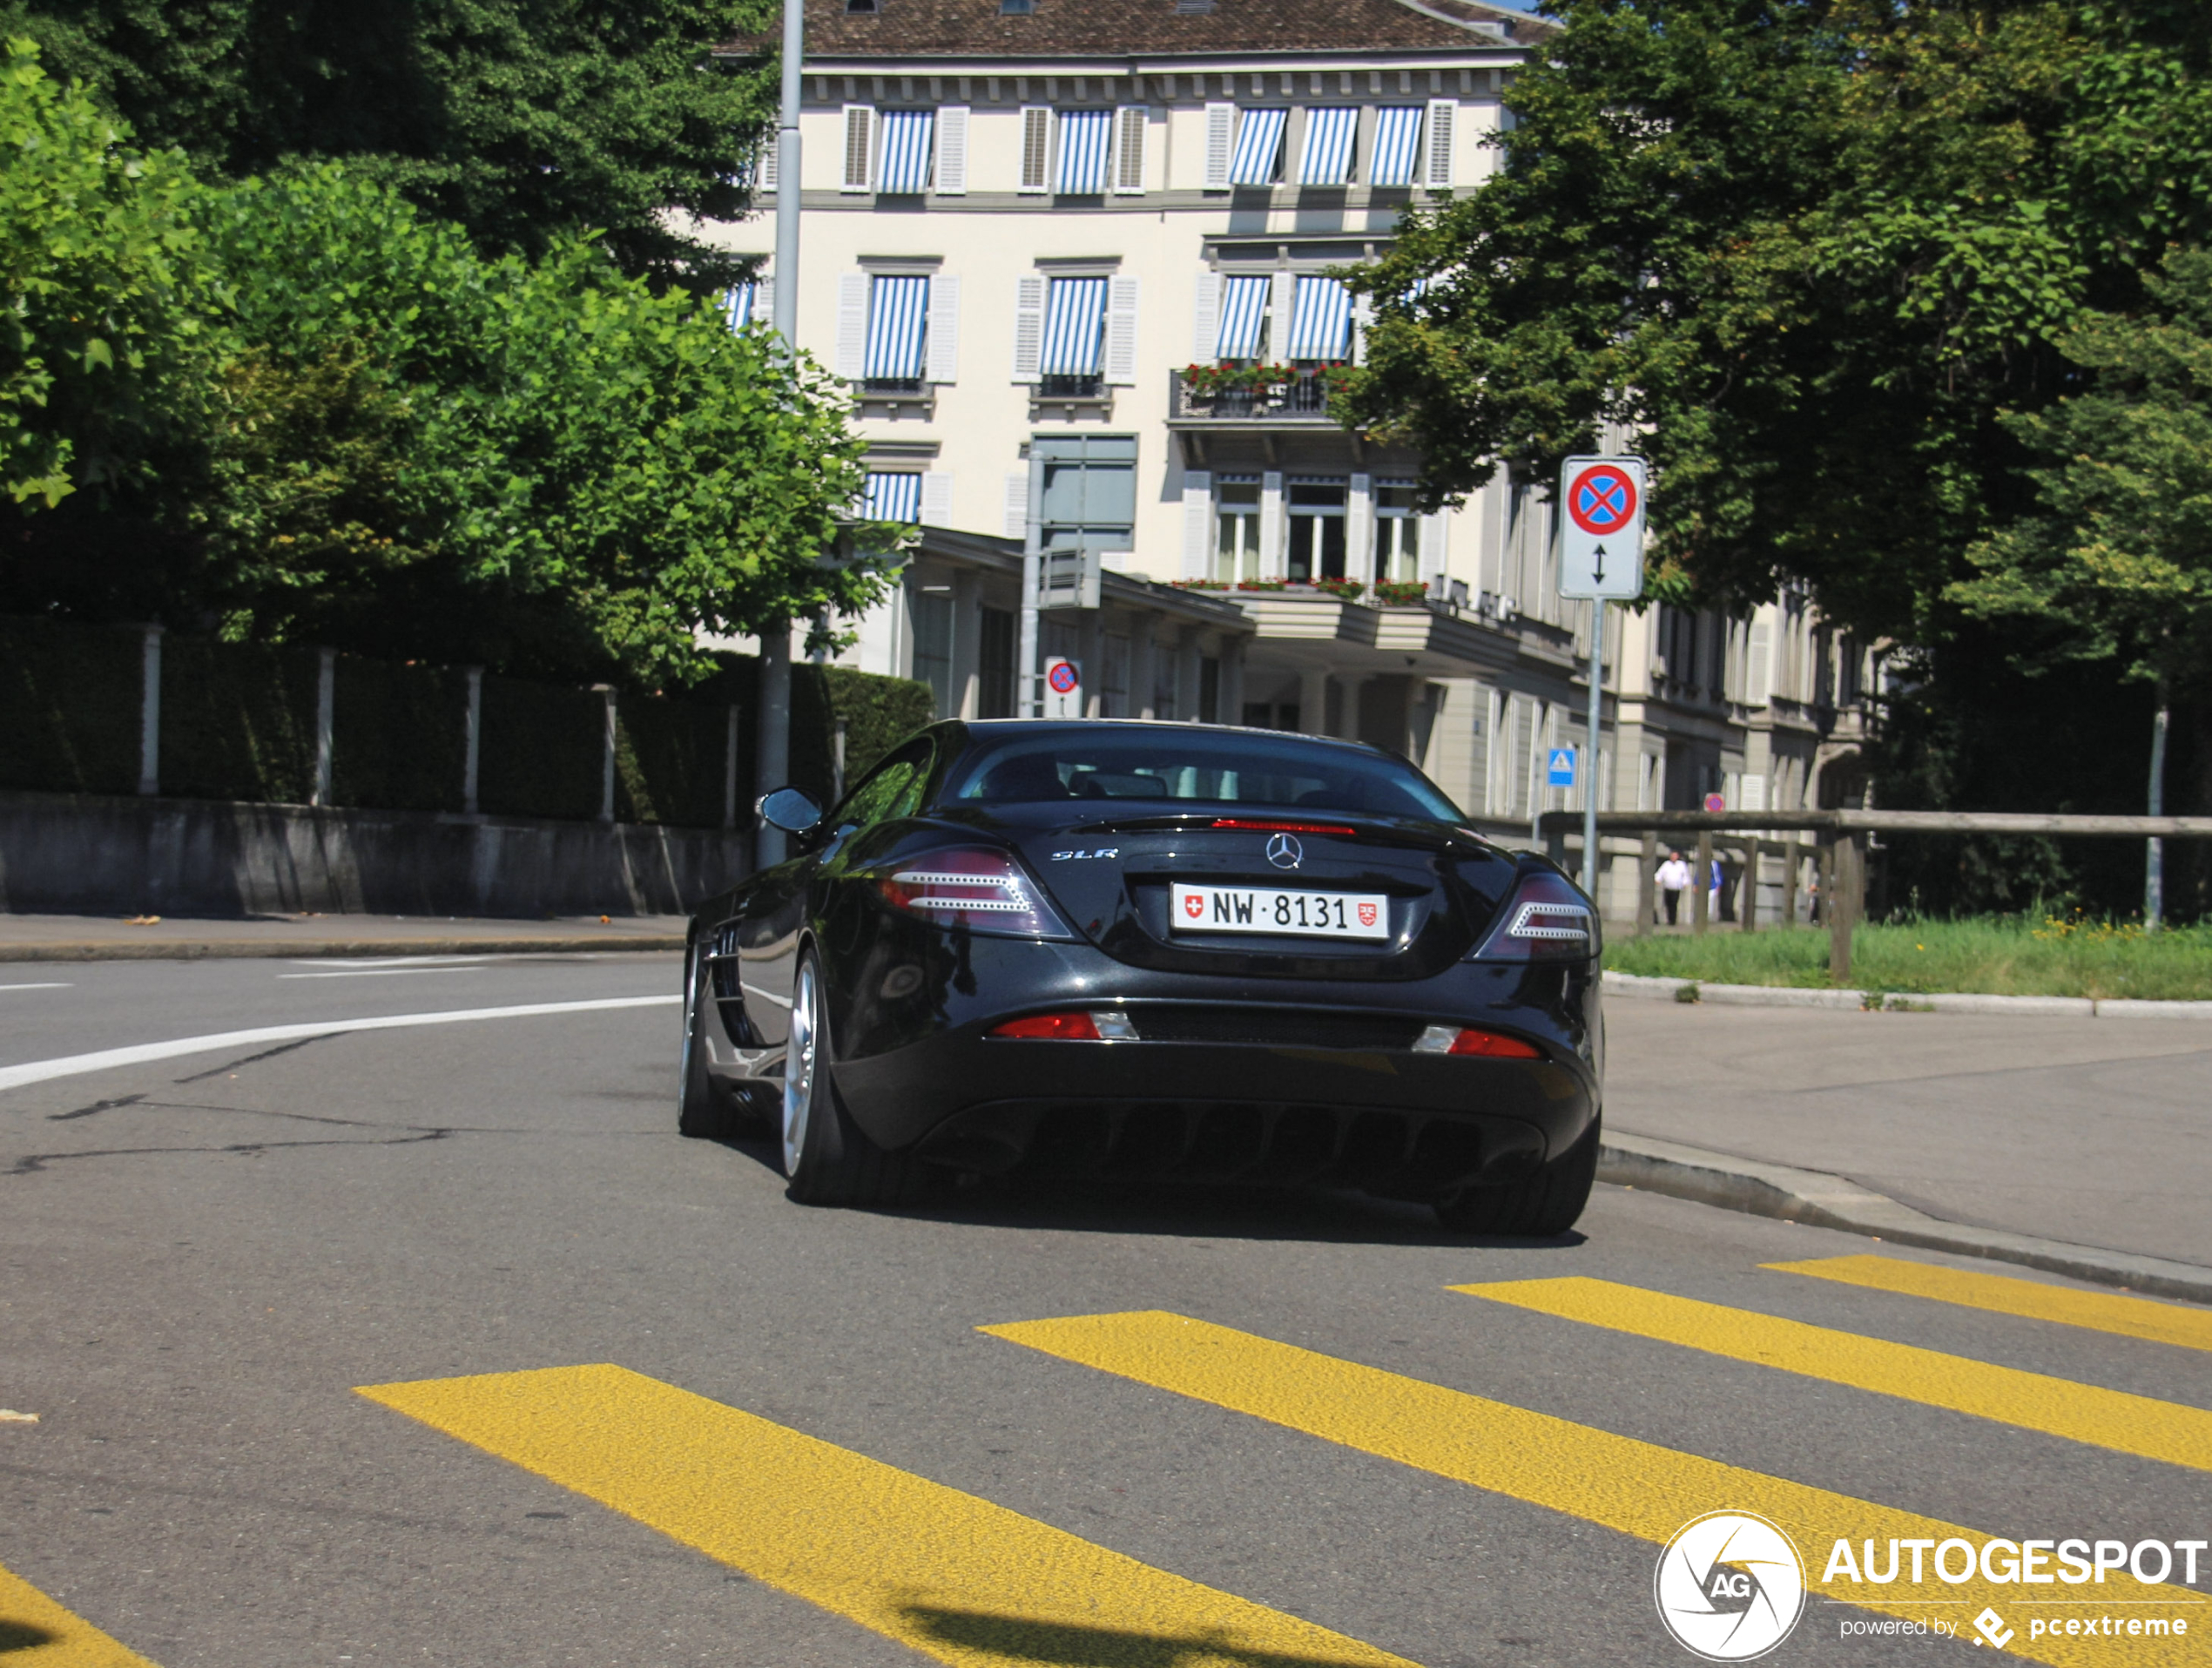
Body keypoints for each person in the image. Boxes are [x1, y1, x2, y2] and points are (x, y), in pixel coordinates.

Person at [1655, 849, 1691, 925]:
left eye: (1675, 856)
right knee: (1668, 904)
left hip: (1676, 888)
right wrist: (1657, 879)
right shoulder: (1666, 864)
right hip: (1667, 888)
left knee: (1674, 904)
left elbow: (1685, 875)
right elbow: (1660, 873)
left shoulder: (1681, 865)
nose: (1673, 857)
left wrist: (1685, 883)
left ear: (1677, 856)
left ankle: (1673, 920)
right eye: (1672, 856)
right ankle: (1669, 919)